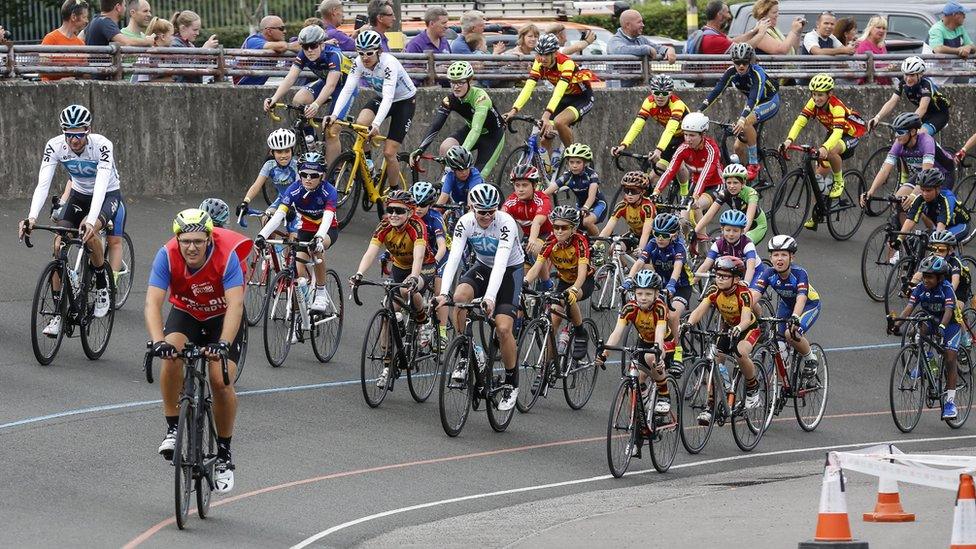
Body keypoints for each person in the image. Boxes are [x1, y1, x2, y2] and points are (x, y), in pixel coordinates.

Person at [146, 208, 251, 494]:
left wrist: (223, 344)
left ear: (209, 238)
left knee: (219, 379)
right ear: (178, 240)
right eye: (186, 241)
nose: (191, 247)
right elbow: (153, 304)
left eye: (198, 241)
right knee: (171, 357)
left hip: (222, 318)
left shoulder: (225, 256)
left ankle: (225, 455)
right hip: (187, 312)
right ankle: (172, 428)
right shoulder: (166, 255)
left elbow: (236, 306)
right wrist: (159, 342)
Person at [20, 105, 122, 336]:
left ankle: (102, 284)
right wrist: (31, 217)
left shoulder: (102, 145)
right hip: (78, 195)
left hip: (107, 194)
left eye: (79, 134)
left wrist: (91, 221)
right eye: (69, 134)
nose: (74, 140)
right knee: (58, 244)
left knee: (91, 230)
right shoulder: (55, 146)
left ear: (88, 131)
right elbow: (43, 184)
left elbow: (101, 185)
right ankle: (57, 313)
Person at [435, 183, 526, 411]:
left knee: (503, 328)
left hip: (509, 271)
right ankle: (466, 353)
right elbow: (454, 258)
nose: (486, 216)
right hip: (483, 266)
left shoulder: (506, 223)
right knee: (459, 298)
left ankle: (511, 380)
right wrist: (444, 293)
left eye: (491, 211)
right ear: (471, 207)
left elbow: (502, 263)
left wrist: (491, 299)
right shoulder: (465, 222)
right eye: (481, 211)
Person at [325, 30, 417, 193]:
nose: (365, 57)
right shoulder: (359, 62)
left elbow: (389, 97)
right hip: (382, 97)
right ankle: (369, 163)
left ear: (379, 51)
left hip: (404, 101)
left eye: (369, 53)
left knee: (389, 153)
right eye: (361, 53)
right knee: (361, 123)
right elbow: (347, 89)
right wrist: (334, 115)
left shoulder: (389, 63)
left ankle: (395, 191)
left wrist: (376, 124)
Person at [350, 190, 437, 361]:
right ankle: (386, 361)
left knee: (406, 290)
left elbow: (419, 255)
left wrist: (413, 277)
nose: (393, 215)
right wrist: (359, 274)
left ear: (410, 212)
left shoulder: (417, 226)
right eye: (390, 210)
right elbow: (370, 252)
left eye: (399, 211)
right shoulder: (384, 226)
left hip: (423, 265)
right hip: (399, 267)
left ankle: (423, 320)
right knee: (389, 312)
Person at [254, 152, 339, 313]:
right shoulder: (294, 189)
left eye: (314, 175)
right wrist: (262, 235)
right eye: (303, 174)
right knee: (298, 273)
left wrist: (319, 238)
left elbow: (328, 217)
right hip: (305, 230)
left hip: (327, 230)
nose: (308, 178)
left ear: (322, 176)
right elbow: (279, 214)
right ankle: (302, 307)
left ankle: (321, 293)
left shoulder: (329, 191)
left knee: (316, 249)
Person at [683, 255, 763, 424]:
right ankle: (710, 406)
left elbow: (747, 319)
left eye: (725, 276)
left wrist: (739, 328)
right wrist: (688, 324)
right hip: (728, 329)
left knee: (741, 353)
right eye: (718, 275)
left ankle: (752, 387)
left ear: (736, 279)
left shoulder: (744, 293)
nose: (719, 279)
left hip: (747, 328)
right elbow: (699, 310)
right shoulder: (714, 290)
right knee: (714, 360)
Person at [597, 269, 676, 435]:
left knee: (650, 357)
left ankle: (663, 394)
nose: (643, 297)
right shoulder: (630, 308)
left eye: (648, 293)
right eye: (639, 293)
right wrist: (604, 354)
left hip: (664, 343)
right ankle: (639, 426)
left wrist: (658, 353)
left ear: (656, 294)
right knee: (635, 379)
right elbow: (616, 332)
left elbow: (660, 334)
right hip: (643, 341)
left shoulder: (660, 307)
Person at [503, 33, 600, 166]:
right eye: (539, 54)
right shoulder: (538, 62)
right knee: (544, 139)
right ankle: (547, 173)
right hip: (564, 98)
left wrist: (546, 115)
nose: (542, 58)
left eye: (546, 54)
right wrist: (513, 110)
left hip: (581, 98)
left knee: (560, 122)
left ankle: (573, 160)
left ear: (554, 53)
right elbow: (528, 87)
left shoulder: (566, 63)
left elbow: (559, 91)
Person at [263, 25, 353, 163]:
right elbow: (290, 78)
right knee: (298, 100)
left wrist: (316, 104)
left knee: (331, 131)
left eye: (313, 45)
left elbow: (331, 85)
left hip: (345, 87)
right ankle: (313, 143)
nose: (309, 50)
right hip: (325, 82)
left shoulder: (333, 55)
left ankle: (331, 174)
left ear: (321, 44)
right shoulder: (303, 55)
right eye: (305, 47)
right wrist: (273, 98)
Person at [889, 255, 962, 419]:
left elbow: (949, 311)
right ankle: (928, 361)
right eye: (924, 276)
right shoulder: (920, 288)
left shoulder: (946, 288)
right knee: (914, 332)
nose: (926, 279)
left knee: (950, 357)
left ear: (940, 277)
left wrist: (943, 326)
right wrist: (897, 324)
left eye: (929, 276)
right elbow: (909, 308)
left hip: (950, 324)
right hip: (931, 320)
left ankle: (950, 403)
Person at [410, 61, 506, 179]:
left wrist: (460, 154)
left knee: (477, 179)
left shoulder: (481, 98)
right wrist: (420, 149)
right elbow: (436, 126)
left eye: (460, 82)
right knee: (446, 147)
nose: (456, 87)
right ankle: (448, 183)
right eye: (453, 82)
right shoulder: (450, 100)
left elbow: (476, 129)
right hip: (470, 130)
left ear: (470, 81)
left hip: (492, 137)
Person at [781, 74, 866, 205]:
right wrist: (789, 140)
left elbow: (838, 132)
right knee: (817, 179)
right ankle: (817, 213)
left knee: (831, 151)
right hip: (833, 132)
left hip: (850, 134)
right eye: (814, 94)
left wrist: (825, 148)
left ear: (829, 94)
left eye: (820, 95)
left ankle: (838, 181)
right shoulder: (813, 103)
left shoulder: (836, 106)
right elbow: (800, 122)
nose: (816, 98)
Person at [700, 43, 779, 181]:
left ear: (750, 61)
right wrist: (699, 110)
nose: (741, 66)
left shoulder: (757, 73)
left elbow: (754, 97)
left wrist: (743, 118)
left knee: (746, 123)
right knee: (737, 148)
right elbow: (717, 91)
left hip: (768, 101)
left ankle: (754, 164)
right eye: (737, 62)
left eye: (744, 62)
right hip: (753, 105)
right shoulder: (731, 72)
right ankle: (742, 179)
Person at [751, 235, 823, 386]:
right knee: (778, 341)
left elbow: (802, 298)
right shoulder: (769, 273)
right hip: (786, 305)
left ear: (792, 257)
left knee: (791, 334)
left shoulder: (799, 273)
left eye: (784, 254)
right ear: (770, 258)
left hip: (809, 305)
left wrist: (795, 317)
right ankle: (782, 382)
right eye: (776, 255)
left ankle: (810, 358)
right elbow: (754, 296)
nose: (779, 258)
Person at [524, 206, 593, 360]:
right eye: (556, 227)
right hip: (563, 281)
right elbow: (537, 267)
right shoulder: (550, 241)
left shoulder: (580, 243)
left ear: (573, 229)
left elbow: (582, 271)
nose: (559, 231)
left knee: (567, 297)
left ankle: (581, 333)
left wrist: (575, 288)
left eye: (564, 228)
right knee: (553, 321)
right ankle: (547, 366)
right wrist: (525, 282)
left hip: (583, 282)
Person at [626, 213, 692, 367]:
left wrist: (671, 285)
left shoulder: (679, 247)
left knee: (673, 315)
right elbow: (639, 263)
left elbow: (677, 268)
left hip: (681, 286)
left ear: (674, 235)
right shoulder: (652, 243)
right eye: (656, 233)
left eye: (664, 235)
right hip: (661, 285)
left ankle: (678, 349)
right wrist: (629, 278)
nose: (659, 238)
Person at [612, 74, 690, 192]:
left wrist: (659, 150)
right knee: (653, 176)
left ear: (670, 93)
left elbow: (670, 129)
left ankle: (685, 194)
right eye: (656, 92)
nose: (660, 96)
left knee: (679, 165)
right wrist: (623, 145)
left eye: (664, 93)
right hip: (672, 138)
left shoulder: (677, 104)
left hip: (687, 136)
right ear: (651, 91)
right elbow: (637, 126)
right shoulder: (649, 102)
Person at [861, 112, 956, 206]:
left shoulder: (926, 142)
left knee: (929, 206)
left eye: (901, 132)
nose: (896, 135)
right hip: (922, 174)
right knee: (898, 203)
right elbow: (885, 170)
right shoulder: (898, 143)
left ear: (913, 132)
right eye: (896, 132)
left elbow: (926, 174)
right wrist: (870, 191)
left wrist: (914, 195)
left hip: (943, 174)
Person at [653, 112, 724, 227]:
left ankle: (702, 242)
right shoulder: (683, 148)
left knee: (696, 207)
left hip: (715, 185)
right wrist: (656, 191)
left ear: (703, 134)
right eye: (685, 135)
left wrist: (696, 196)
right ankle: (686, 243)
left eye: (692, 135)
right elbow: (670, 171)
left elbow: (705, 175)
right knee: (682, 221)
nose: (688, 139)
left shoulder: (711, 149)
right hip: (695, 184)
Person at [237, 129, 300, 237]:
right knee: (266, 220)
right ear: (272, 152)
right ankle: (270, 252)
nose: (283, 155)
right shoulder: (269, 165)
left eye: (287, 151)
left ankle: (291, 252)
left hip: (297, 202)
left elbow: (300, 189)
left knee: (292, 239)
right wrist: (245, 202)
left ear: (292, 150)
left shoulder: (296, 166)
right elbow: (256, 185)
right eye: (279, 152)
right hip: (281, 199)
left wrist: (292, 208)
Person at [867, 57, 951, 136]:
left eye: (912, 75)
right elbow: (892, 101)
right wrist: (877, 117)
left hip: (939, 115)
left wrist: (908, 122)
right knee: (903, 137)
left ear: (920, 75)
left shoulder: (926, 85)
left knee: (920, 135)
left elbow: (922, 108)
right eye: (906, 75)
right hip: (924, 115)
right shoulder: (903, 84)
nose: (908, 79)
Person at [410, 181, 450, 344]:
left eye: (423, 204)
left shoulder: (435, 218)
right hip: (420, 255)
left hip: (439, 255)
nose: (418, 208)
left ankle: (442, 332)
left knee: (439, 291)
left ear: (431, 204)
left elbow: (441, 247)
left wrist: (434, 263)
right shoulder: (409, 216)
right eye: (416, 203)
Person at [695, 163, 767, 245]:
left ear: (743, 183)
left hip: (755, 227)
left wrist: (740, 235)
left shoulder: (751, 193)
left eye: (735, 183)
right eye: (729, 183)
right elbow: (709, 215)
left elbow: (749, 219)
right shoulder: (725, 193)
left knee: (743, 245)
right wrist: (695, 231)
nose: (731, 186)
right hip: (737, 226)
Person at [544, 143, 607, 236]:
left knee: (587, 222)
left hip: (597, 204)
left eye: (578, 162)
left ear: (585, 163)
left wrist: (585, 208)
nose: (574, 165)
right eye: (571, 162)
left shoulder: (592, 175)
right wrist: (537, 198)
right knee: (569, 225)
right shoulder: (567, 176)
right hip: (580, 206)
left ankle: (597, 244)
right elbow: (548, 191)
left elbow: (591, 196)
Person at [898, 168, 970, 239]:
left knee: (940, 242)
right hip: (940, 224)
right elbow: (910, 220)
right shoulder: (921, 198)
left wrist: (936, 240)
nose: (925, 194)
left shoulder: (947, 198)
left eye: (928, 190)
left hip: (959, 225)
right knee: (921, 241)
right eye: (922, 190)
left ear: (938, 189)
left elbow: (942, 222)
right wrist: (899, 240)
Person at [502, 164, 554, 261]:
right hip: (528, 236)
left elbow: (537, 222)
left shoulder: (542, 199)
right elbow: (501, 218)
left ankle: (545, 277)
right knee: (524, 270)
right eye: (517, 185)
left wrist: (533, 239)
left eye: (525, 185)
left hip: (548, 234)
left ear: (534, 185)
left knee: (536, 250)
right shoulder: (512, 201)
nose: (520, 189)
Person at [695, 209, 759, 287]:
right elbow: (705, 265)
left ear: (742, 231)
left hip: (754, 272)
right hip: (734, 273)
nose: (731, 234)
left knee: (749, 296)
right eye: (728, 230)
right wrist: (692, 282)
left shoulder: (747, 244)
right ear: (722, 230)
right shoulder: (718, 244)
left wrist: (746, 283)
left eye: (735, 231)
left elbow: (751, 268)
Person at [599, 171, 657, 253]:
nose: (629, 194)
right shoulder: (622, 206)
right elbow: (608, 228)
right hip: (634, 234)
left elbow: (646, 233)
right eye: (626, 190)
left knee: (644, 260)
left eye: (633, 191)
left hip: (651, 237)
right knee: (614, 248)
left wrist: (640, 248)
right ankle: (622, 266)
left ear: (642, 192)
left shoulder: (647, 207)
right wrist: (595, 246)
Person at [236, 15, 301, 86]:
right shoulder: (253, 40)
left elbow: (298, 47)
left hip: (254, 87)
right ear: (269, 31)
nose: (285, 31)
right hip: (239, 88)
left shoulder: (273, 44)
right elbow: (281, 47)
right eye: (281, 28)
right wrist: (289, 46)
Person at [41, 0, 90, 82]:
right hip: (51, 91)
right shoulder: (51, 39)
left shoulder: (81, 44)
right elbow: (42, 70)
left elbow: (85, 73)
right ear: (73, 17)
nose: (87, 21)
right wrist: (61, 81)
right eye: (84, 17)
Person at [696, 0, 769, 55]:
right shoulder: (714, 39)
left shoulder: (709, 32)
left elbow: (733, 41)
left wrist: (754, 31)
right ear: (719, 15)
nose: (729, 16)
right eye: (727, 12)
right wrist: (761, 34)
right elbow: (743, 51)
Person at [607, 9, 677, 63]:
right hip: (621, 82)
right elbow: (619, 50)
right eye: (639, 22)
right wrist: (646, 49)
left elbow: (657, 48)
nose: (643, 25)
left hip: (640, 81)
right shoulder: (615, 41)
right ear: (628, 25)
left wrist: (668, 50)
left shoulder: (641, 39)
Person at [170, 11, 219, 84]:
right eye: (195, 30)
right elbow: (188, 69)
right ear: (183, 28)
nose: (197, 33)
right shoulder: (175, 44)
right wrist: (204, 51)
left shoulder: (188, 44)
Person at [85, 0, 154, 47]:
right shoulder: (105, 22)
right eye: (124, 5)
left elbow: (79, 37)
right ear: (118, 7)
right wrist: (147, 41)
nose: (126, 8)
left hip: (97, 66)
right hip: (101, 67)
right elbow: (127, 42)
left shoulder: (95, 19)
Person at [856, 16, 891, 85]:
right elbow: (865, 68)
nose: (881, 30)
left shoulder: (882, 45)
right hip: (869, 85)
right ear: (870, 28)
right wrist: (888, 68)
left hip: (885, 85)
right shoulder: (862, 45)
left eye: (884, 28)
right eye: (878, 27)